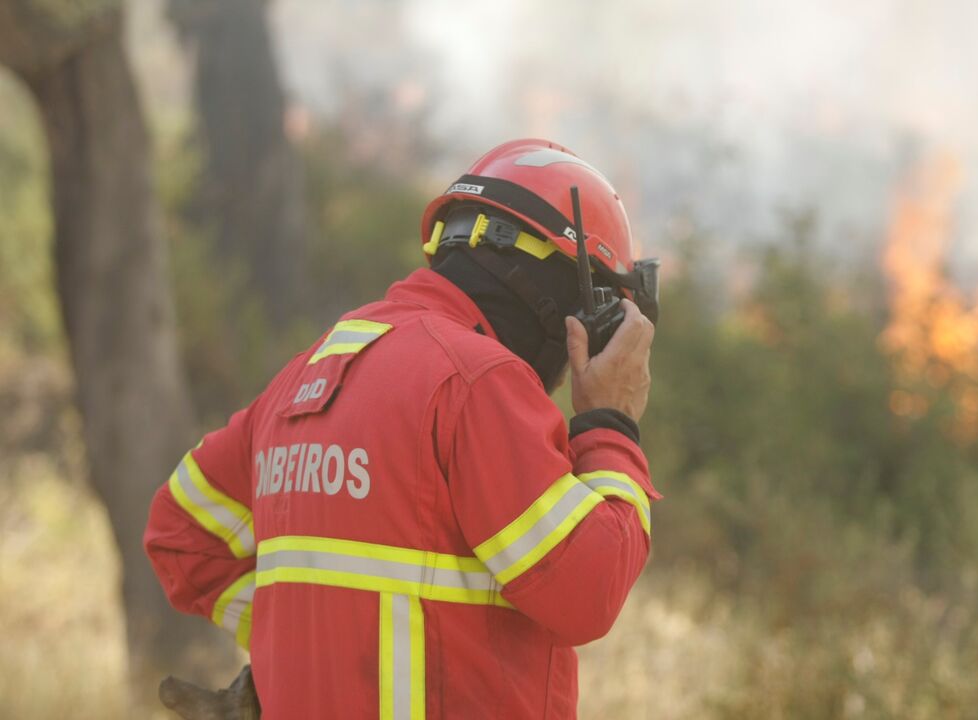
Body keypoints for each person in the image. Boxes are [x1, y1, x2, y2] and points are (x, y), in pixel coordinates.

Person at [144, 138, 661, 719]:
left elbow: (179, 531)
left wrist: (291, 651)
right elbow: (586, 593)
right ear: (560, 292)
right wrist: (609, 423)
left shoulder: (309, 374)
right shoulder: (478, 382)